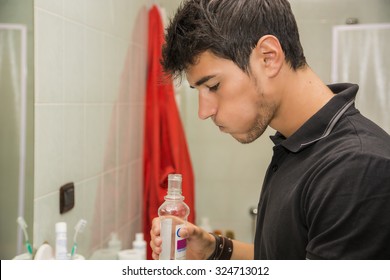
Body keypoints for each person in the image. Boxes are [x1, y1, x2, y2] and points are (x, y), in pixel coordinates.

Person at [150, 0, 390, 260]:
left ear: (268, 57)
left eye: (214, 86)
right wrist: (213, 248)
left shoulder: (357, 168)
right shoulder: (296, 145)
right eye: (198, 91)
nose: (203, 111)